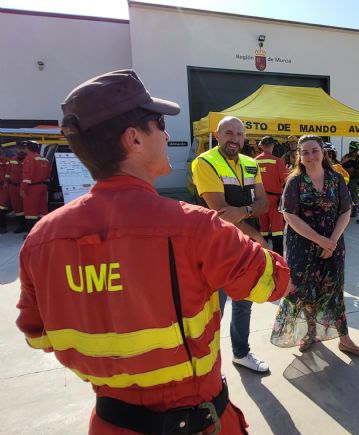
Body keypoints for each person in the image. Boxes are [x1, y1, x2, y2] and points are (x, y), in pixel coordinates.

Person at [15, 69, 290, 434]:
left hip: (111, 421)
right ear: (134, 139)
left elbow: (38, 335)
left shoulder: (40, 240)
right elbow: (276, 285)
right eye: (159, 123)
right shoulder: (195, 228)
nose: (165, 133)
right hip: (197, 421)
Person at [271, 135, 359, 358]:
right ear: (299, 155)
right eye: (304, 152)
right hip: (302, 245)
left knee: (333, 289)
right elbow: (289, 215)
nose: (310, 156)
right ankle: (309, 333)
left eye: (314, 150)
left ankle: (344, 340)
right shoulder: (294, 181)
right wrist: (320, 240)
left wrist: (331, 241)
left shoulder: (335, 178)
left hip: (333, 243)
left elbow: (346, 210)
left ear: (322, 152)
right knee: (305, 289)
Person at [192, 116, 272, 374]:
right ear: (217, 135)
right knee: (214, 308)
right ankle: (208, 363)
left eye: (239, 134)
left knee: (244, 301)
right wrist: (255, 235)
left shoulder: (251, 163)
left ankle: (240, 353)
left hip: (245, 248)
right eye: (229, 133)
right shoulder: (205, 162)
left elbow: (263, 203)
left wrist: (244, 210)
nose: (234, 139)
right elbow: (219, 212)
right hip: (218, 247)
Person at [255, 135, 288, 256]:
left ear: (261, 146)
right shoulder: (277, 161)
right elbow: (286, 179)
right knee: (277, 229)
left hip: (259, 200)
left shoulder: (253, 161)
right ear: (273, 146)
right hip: (275, 200)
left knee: (262, 228)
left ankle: (262, 255)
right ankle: (277, 257)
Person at [20, 140, 51, 234]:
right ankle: (43, 232)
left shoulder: (29, 159)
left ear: (27, 148)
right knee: (43, 210)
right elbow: (48, 174)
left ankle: (32, 234)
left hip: (32, 188)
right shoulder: (44, 159)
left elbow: (27, 176)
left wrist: (23, 188)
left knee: (31, 212)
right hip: (43, 186)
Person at [5, 141, 28, 233]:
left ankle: (27, 226)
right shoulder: (13, 159)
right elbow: (8, 172)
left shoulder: (28, 159)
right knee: (17, 208)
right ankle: (21, 226)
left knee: (27, 208)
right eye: (18, 149)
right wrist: (6, 182)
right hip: (13, 187)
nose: (20, 151)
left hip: (24, 187)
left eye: (22, 149)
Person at [341, 141, 359, 217]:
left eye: (352, 148)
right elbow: (340, 165)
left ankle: (355, 209)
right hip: (345, 178)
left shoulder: (357, 157)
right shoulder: (346, 156)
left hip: (353, 178)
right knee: (343, 194)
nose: (350, 149)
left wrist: (349, 169)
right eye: (350, 147)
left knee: (353, 194)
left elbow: (356, 168)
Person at [0, 146, 11, 233]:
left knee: (2, 207)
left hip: (4, 185)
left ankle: (3, 227)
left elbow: (10, 173)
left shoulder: (7, 160)